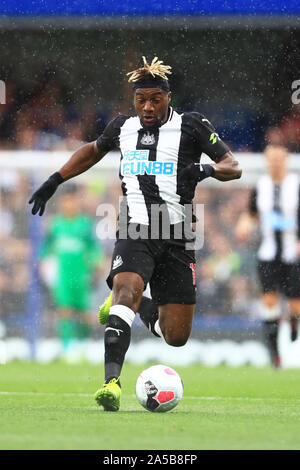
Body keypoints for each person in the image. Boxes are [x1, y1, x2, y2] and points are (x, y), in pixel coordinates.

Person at [29, 56, 241, 411]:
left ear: (168, 98)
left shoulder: (192, 126)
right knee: (126, 286)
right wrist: (55, 180)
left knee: (175, 336)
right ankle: (111, 383)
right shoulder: (122, 127)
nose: (147, 107)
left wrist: (203, 169)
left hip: (177, 234)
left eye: (155, 99)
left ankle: (129, 303)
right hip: (135, 227)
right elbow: (92, 152)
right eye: (141, 100)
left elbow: (232, 167)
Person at [235, 144, 300, 368]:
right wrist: (243, 225)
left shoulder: (296, 185)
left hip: (293, 254)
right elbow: (252, 214)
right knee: (270, 302)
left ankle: (293, 322)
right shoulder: (260, 186)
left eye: (278, 159)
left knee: (295, 306)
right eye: (271, 159)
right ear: (266, 161)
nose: (274, 163)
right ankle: (275, 355)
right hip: (268, 254)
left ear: (285, 160)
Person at [40, 188, 103, 353]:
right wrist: (43, 262)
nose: (69, 205)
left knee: (84, 314)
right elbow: (46, 248)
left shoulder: (85, 224)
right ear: (61, 203)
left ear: (77, 202)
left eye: (72, 201)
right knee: (65, 311)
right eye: (66, 201)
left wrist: (97, 262)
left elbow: (93, 247)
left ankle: (83, 344)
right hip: (62, 275)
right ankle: (67, 349)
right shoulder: (55, 225)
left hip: (82, 275)